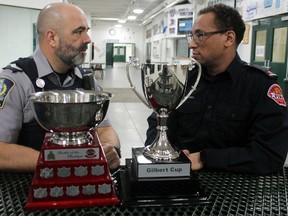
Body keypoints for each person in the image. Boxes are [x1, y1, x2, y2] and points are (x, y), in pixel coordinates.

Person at [145, 3, 288, 175]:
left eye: (200, 35)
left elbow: (269, 155)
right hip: (180, 178)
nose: (191, 44)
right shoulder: (183, 81)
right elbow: (157, 123)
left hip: (237, 188)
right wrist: (170, 154)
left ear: (228, 38)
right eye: (191, 36)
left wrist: (204, 158)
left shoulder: (260, 86)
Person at [0, 3, 121, 172]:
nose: (87, 39)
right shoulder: (16, 80)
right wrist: (58, 162)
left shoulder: (86, 80)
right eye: (79, 32)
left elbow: (105, 128)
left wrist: (110, 148)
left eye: (87, 30)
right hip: (28, 189)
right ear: (52, 38)